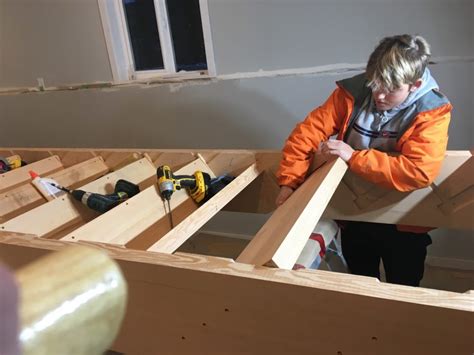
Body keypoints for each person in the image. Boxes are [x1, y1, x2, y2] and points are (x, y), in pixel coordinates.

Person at [275, 34, 452, 286]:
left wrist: (353, 157)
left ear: (415, 84)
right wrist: (289, 182)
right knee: (361, 283)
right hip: (354, 213)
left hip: (403, 223)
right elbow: (306, 134)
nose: (379, 95)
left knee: (403, 287)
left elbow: (418, 171)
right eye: (375, 84)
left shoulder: (431, 110)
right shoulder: (352, 93)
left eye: (391, 89)